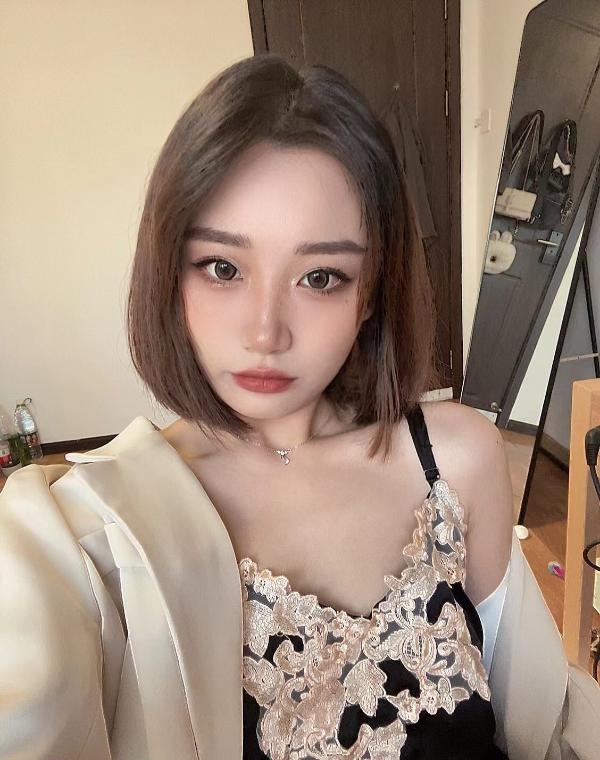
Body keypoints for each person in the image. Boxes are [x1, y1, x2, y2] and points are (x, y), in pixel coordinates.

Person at [1, 53, 598, 760]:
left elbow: (539, 721)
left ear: (370, 292)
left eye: (320, 277)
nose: (266, 333)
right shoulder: (94, 529)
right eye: (223, 268)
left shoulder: (458, 460)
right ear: (170, 275)